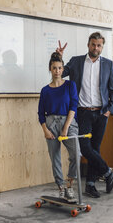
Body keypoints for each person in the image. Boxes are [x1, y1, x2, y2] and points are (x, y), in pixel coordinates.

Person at [57, 32, 113, 198]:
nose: (96, 48)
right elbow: (60, 73)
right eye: (93, 44)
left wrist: (109, 110)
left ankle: (90, 185)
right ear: (88, 44)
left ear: (102, 47)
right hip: (83, 113)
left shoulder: (107, 64)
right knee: (85, 147)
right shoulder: (77, 61)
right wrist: (59, 57)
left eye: (99, 45)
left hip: (101, 113)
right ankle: (108, 172)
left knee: (95, 148)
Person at [38, 52, 80, 202]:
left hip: (68, 122)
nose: (57, 71)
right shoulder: (45, 90)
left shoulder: (70, 85)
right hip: (50, 125)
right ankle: (61, 188)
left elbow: (73, 106)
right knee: (55, 158)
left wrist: (66, 128)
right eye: (54, 68)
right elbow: (41, 114)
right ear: (50, 69)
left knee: (77, 154)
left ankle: (70, 185)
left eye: (60, 68)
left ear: (63, 69)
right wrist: (45, 130)